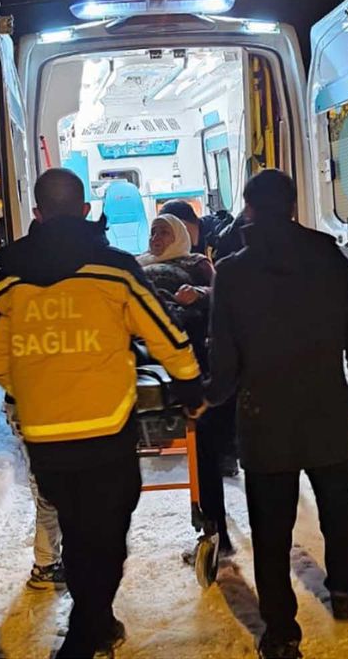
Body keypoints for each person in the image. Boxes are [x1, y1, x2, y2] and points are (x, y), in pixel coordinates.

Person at [0, 168, 205, 658]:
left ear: (37, 214)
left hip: (45, 439)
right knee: (104, 536)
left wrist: (34, 390)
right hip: (106, 431)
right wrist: (190, 385)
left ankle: (96, 624)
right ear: (84, 211)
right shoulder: (116, 271)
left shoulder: (6, 282)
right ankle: (87, 632)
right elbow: (165, 335)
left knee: (78, 530)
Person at [207, 169, 348, 659]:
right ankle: (343, 589)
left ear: (251, 209)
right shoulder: (328, 255)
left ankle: (281, 632)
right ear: (294, 206)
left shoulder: (233, 272)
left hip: (264, 420)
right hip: (327, 408)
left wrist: (209, 397)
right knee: (339, 510)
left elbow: (225, 360)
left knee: (272, 530)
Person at [136, 215, 234, 561]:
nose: (156, 237)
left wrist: (198, 295)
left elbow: (221, 295)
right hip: (146, 357)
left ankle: (215, 528)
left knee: (202, 446)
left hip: (189, 358)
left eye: (164, 232)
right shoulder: (135, 267)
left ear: (178, 235)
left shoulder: (196, 264)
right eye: (152, 231)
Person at [5, 395, 67, 590]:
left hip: (27, 406)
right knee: (50, 494)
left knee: (44, 484)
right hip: (38, 408)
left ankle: (49, 559)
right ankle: (46, 566)